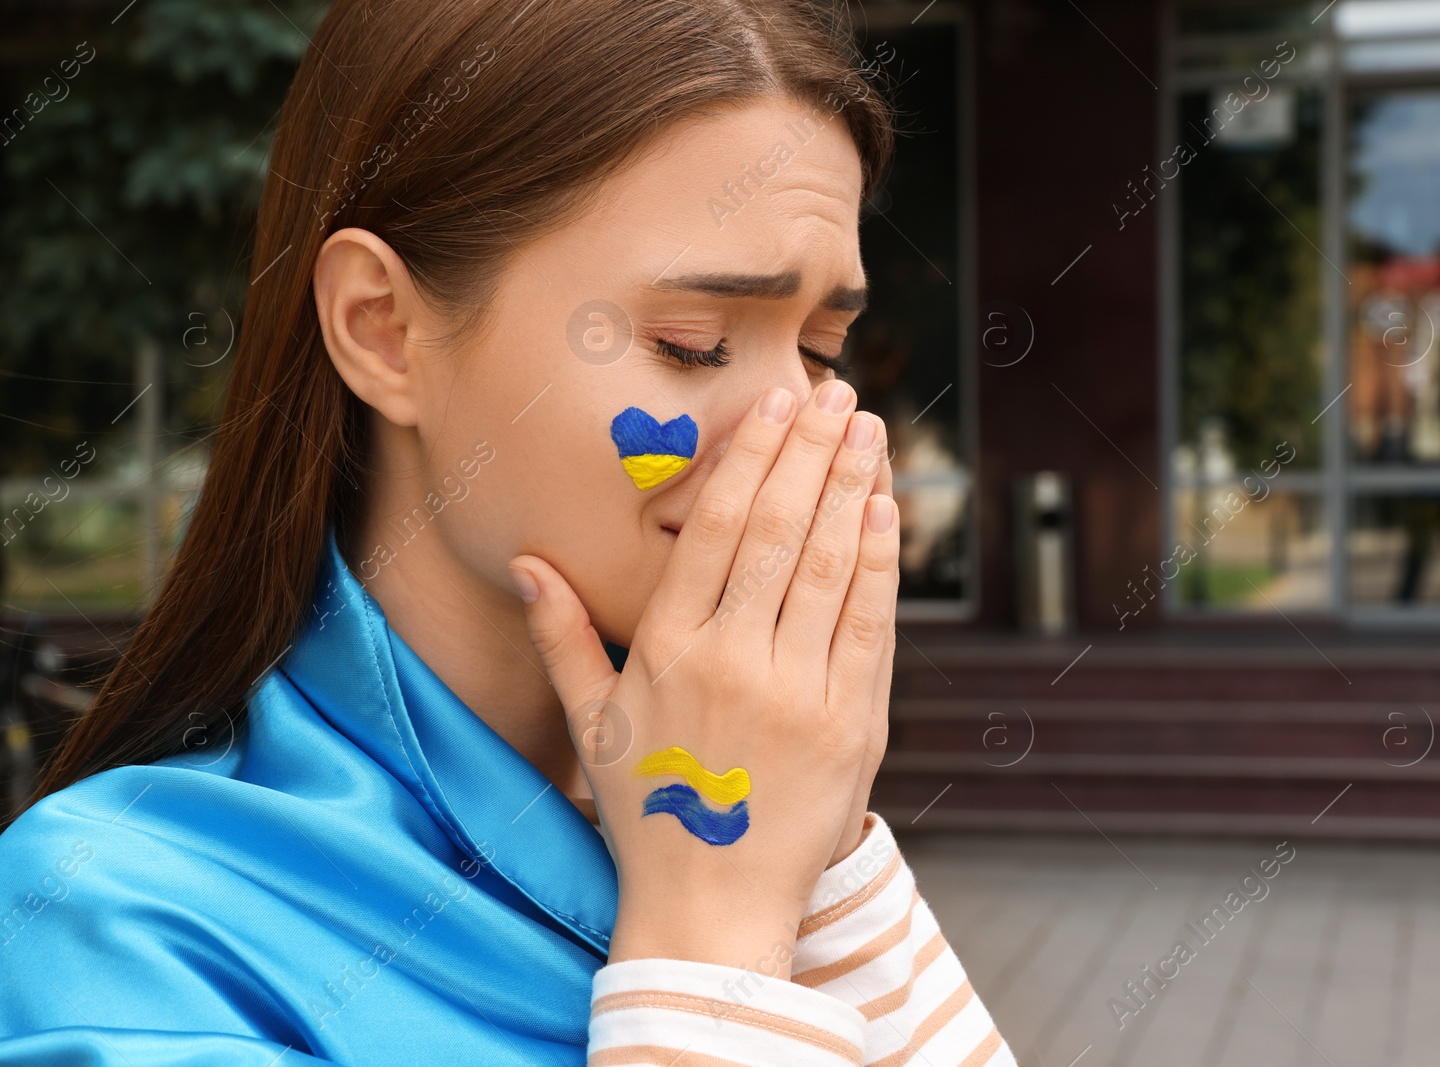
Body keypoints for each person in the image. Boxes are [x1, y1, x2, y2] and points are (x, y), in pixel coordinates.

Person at [0, 0, 1016, 1063]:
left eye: (819, 348)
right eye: (693, 343)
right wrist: (711, 932)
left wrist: (824, 852)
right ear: (383, 331)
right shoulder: (114, 924)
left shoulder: (764, 811)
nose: (797, 424)